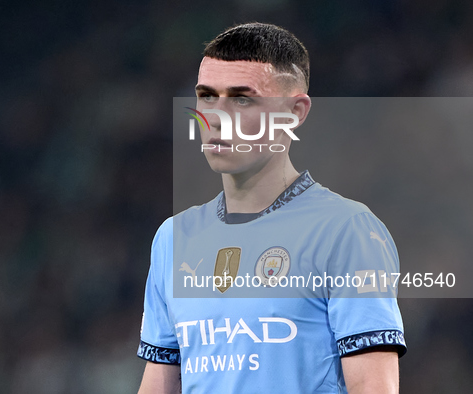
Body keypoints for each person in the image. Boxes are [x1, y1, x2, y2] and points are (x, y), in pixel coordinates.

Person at [137, 23, 406, 393]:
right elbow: (159, 384)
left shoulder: (347, 230)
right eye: (206, 96)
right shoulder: (173, 238)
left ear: (294, 112)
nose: (215, 116)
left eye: (242, 99)